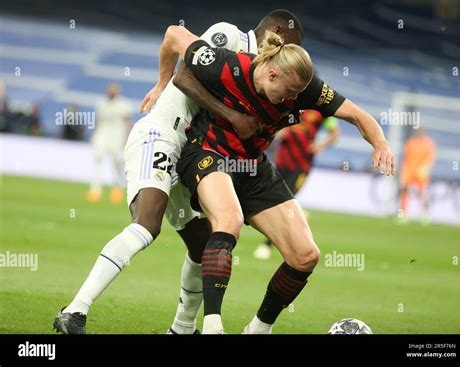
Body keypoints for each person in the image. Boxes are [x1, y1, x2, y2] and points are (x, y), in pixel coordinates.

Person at [53, 9, 304, 335]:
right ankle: (74, 311)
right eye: (291, 48)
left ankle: (182, 329)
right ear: (278, 35)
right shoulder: (229, 36)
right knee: (147, 224)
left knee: (202, 245)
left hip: (190, 153)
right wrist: (163, 84)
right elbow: (180, 58)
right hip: (162, 135)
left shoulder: (258, 75)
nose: (290, 58)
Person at [166, 25, 395, 333]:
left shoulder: (304, 88)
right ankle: (212, 325)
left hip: (253, 167)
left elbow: (357, 115)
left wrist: (380, 143)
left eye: (299, 94)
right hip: (208, 153)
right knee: (229, 222)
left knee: (305, 255)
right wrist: (160, 84)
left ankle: (259, 329)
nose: (295, 100)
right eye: (290, 92)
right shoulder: (227, 65)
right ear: (272, 75)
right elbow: (174, 35)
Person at [254, 110, 340, 260]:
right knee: (274, 200)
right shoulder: (291, 107)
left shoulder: (321, 111)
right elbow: (275, 130)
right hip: (282, 161)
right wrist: (279, 133)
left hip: (302, 165)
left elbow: (335, 133)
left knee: (285, 200)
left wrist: (320, 146)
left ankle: (266, 245)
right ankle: (299, 215)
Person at [87, 83, 131, 204]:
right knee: (97, 160)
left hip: (117, 136)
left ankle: (117, 189)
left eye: (114, 90)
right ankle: (95, 191)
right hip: (102, 135)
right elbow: (98, 121)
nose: (111, 92)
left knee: (116, 162)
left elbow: (127, 123)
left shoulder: (123, 105)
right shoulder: (100, 103)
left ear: (117, 92)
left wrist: (126, 138)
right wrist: (94, 135)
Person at [399, 129, 436, 224]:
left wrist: (426, 168)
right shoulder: (410, 142)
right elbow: (406, 157)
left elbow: (430, 157)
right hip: (409, 170)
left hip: (421, 172)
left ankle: (424, 215)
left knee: (423, 193)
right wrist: (403, 169)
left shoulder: (428, 143)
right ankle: (403, 214)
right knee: (404, 191)